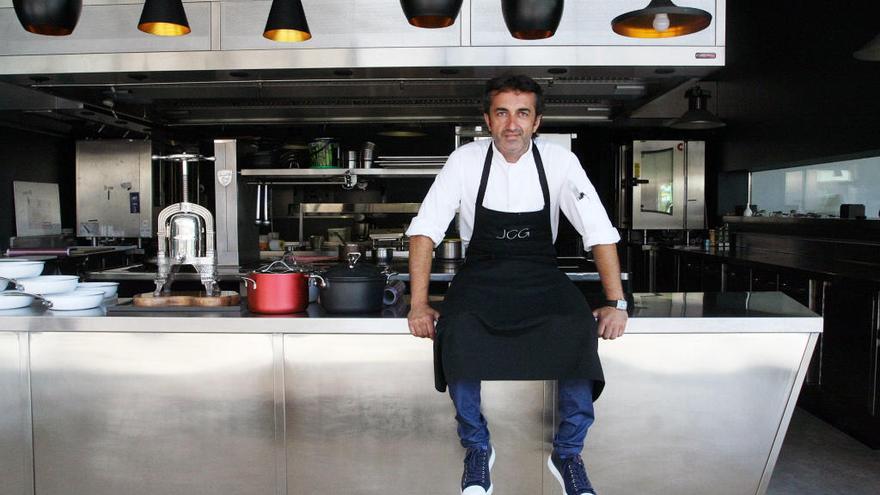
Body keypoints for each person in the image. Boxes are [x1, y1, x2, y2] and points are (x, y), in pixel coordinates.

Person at [406, 74, 627, 495]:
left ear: (536, 121)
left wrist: (617, 301)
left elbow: (598, 231)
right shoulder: (465, 161)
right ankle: (476, 448)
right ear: (487, 120)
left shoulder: (560, 162)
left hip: (541, 273)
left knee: (577, 325)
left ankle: (568, 452)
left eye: (522, 113)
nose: (512, 124)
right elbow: (425, 232)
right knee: (457, 327)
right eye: (502, 113)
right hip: (480, 273)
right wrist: (419, 304)